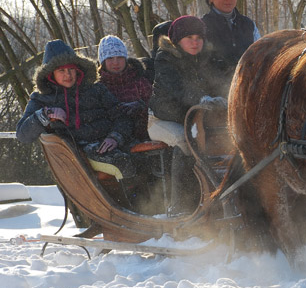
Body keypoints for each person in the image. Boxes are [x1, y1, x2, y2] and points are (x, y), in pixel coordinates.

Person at [16, 39, 135, 179]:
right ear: (50, 74)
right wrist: (43, 115)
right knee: (123, 164)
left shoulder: (96, 89)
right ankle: (136, 201)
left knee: (147, 158)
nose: (68, 75)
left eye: (71, 69)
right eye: (61, 70)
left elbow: (121, 116)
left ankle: (156, 199)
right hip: (75, 156)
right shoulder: (41, 99)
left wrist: (115, 137)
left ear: (78, 70)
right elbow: (22, 135)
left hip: (110, 144)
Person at [149, 15, 228, 213]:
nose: (195, 42)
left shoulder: (206, 59)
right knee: (185, 141)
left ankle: (219, 198)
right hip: (161, 119)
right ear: (177, 42)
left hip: (195, 117)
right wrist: (204, 100)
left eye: (198, 38)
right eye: (189, 38)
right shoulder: (165, 59)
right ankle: (181, 206)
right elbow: (180, 90)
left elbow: (220, 80)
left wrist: (227, 96)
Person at [202, 0, 260, 79]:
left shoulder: (249, 25)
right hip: (213, 92)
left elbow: (260, 58)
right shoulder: (201, 27)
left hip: (246, 88)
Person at [97, 35, 152, 143]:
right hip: (114, 139)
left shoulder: (139, 81)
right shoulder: (98, 87)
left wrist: (141, 107)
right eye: (110, 58)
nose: (116, 62)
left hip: (146, 135)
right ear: (103, 62)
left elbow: (154, 104)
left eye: (120, 57)